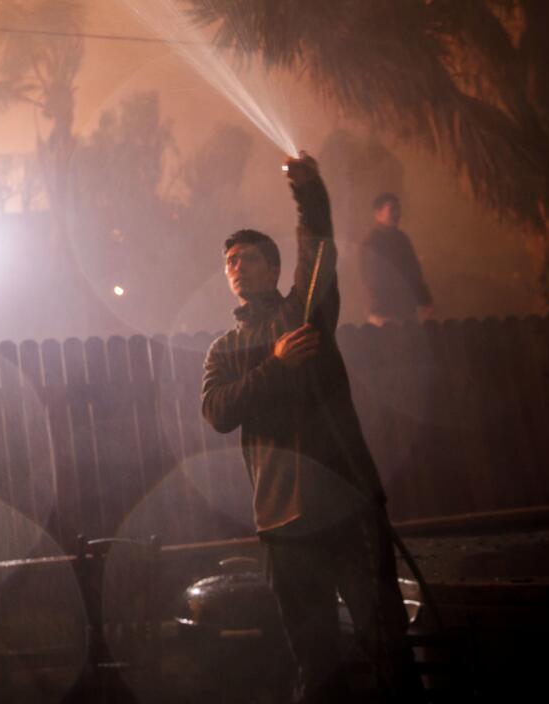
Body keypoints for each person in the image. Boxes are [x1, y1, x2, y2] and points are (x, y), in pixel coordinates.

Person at [202, 154, 420, 703]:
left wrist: (308, 192)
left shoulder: (305, 313)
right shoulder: (224, 350)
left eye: (249, 258)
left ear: (273, 270)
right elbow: (218, 411)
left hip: (347, 504)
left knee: (386, 645)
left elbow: (319, 250)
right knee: (313, 658)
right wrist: (277, 365)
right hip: (281, 523)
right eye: (230, 261)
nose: (237, 267)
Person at [359, 193, 433, 325]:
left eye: (398, 209)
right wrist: (382, 309)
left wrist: (425, 300)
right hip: (384, 314)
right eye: (392, 209)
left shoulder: (402, 239)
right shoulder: (371, 243)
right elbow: (373, 281)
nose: (397, 214)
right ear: (378, 213)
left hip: (406, 311)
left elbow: (414, 272)